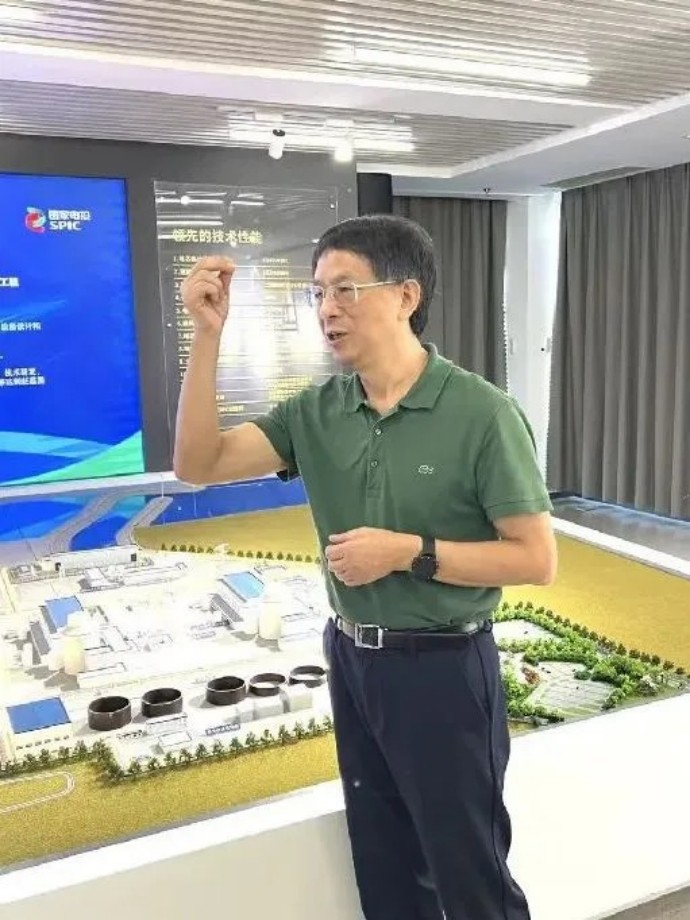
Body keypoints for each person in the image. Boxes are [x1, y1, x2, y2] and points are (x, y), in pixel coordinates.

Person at [174, 214, 557, 920]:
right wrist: (206, 336)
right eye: (318, 292)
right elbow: (198, 463)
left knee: (468, 874)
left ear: (407, 295)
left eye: (346, 289)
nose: (327, 309)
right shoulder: (318, 411)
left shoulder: (481, 413)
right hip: (352, 660)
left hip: (443, 669)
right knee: (384, 867)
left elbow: (535, 558)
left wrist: (409, 551)